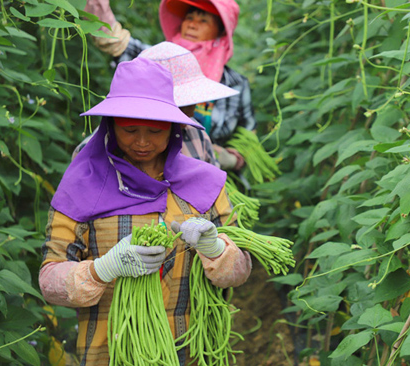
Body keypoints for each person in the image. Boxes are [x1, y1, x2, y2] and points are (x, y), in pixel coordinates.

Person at [39, 57, 252, 366]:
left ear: (174, 129)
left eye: (154, 131)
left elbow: (240, 272)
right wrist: (104, 268)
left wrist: (215, 249)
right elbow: (49, 281)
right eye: (129, 130)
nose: (141, 142)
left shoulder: (204, 184)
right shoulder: (81, 185)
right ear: (110, 125)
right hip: (109, 352)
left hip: (190, 349)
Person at [84, 0, 256, 172]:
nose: (192, 25)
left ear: (221, 31)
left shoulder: (235, 84)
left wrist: (231, 158)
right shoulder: (154, 62)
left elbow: (249, 133)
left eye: (203, 21)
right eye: (189, 18)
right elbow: (116, 41)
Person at [72, 41, 239, 169]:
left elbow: (214, 192)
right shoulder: (92, 153)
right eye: (183, 106)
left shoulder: (196, 136)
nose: (191, 112)